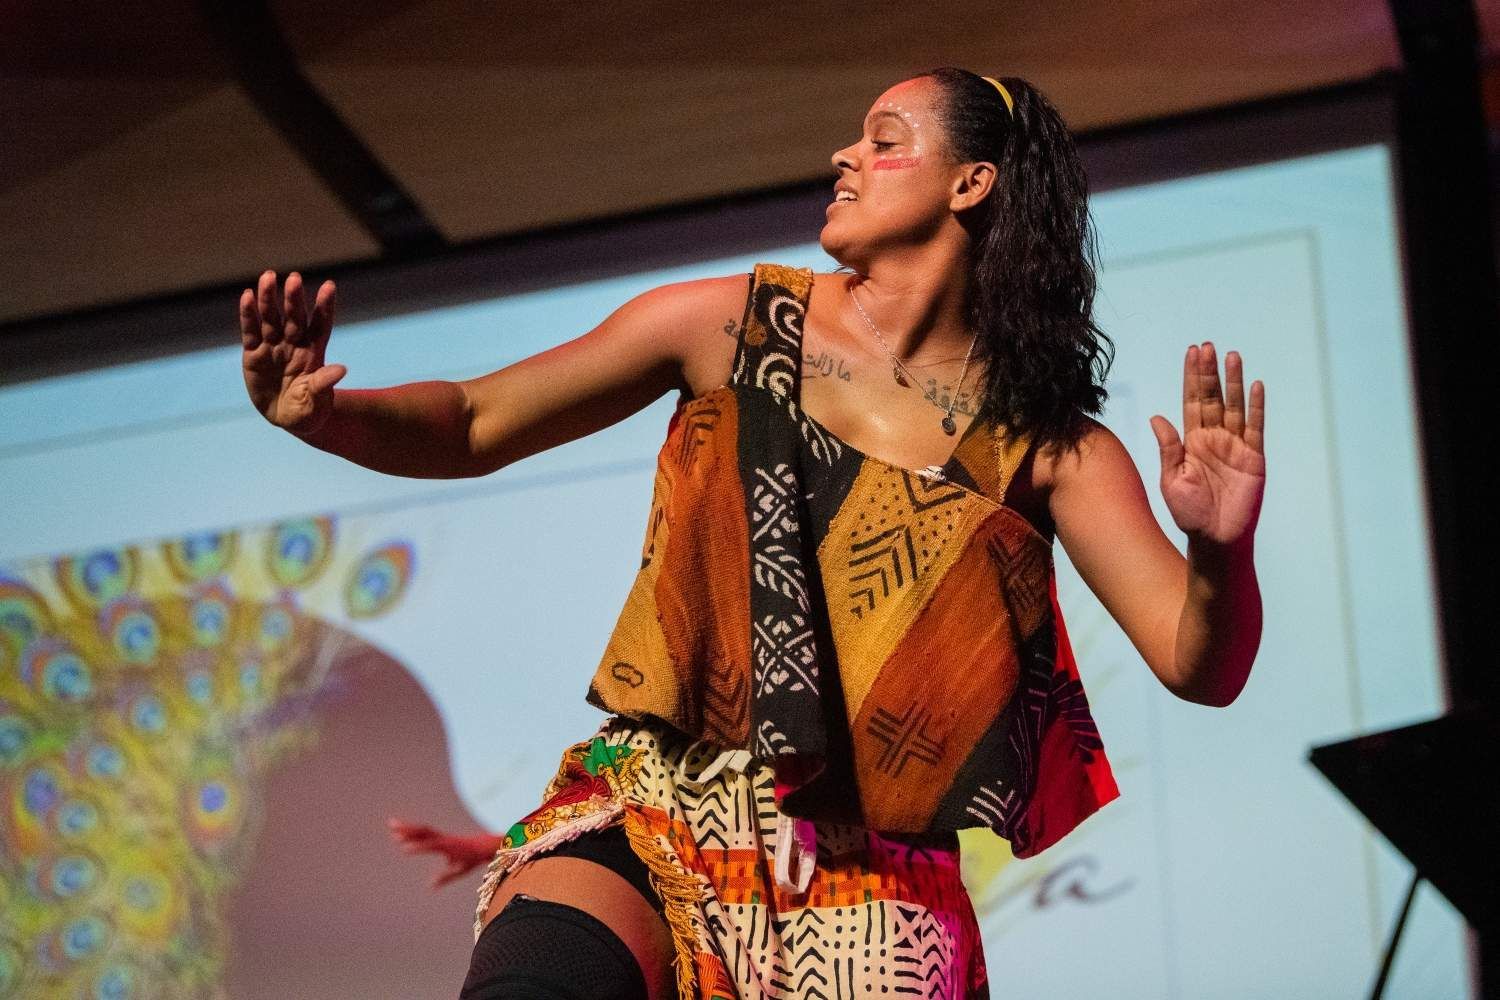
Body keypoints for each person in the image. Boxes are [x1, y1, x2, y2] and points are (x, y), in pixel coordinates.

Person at [240, 67, 1264, 1000]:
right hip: (656, 807)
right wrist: (330, 416)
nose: (846, 157)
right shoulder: (724, 325)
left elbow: (1197, 661)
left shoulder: (1050, 449)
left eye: (885, 138)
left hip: (878, 893)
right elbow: (472, 420)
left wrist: (1221, 552)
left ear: (972, 183)